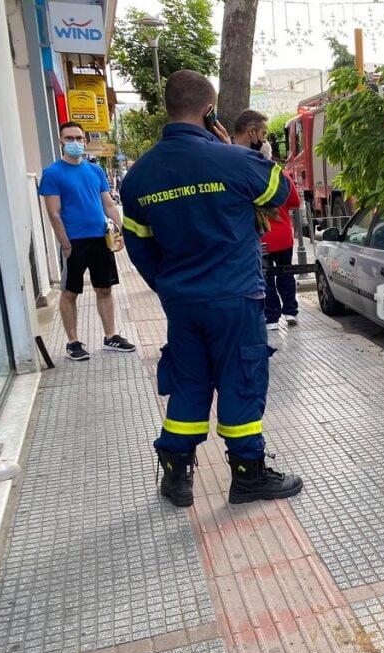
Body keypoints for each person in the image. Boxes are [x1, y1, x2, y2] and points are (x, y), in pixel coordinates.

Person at [119, 70, 303, 508]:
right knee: (241, 381)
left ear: (168, 109)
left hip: (182, 302)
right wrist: (236, 150)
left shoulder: (138, 177)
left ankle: (177, 477)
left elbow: (138, 246)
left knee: (189, 384)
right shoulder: (235, 161)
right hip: (235, 298)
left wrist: (169, 287)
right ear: (209, 110)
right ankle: (248, 475)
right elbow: (283, 193)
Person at [39, 121, 136, 360]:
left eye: (78, 138)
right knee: (70, 292)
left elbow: (108, 204)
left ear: (85, 141)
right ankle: (73, 342)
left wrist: (120, 232)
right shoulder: (53, 173)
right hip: (74, 241)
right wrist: (65, 244)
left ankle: (111, 336)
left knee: (104, 288)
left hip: (100, 238)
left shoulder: (95, 170)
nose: (75, 143)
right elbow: (53, 213)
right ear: (61, 141)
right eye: (69, 138)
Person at [232, 110, 302, 331]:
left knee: (266, 277)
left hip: (262, 238)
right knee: (286, 273)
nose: (263, 138)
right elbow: (294, 201)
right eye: (263, 133)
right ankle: (290, 311)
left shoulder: (242, 171)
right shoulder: (279, 173)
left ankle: (271, 316)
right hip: (283, 236)